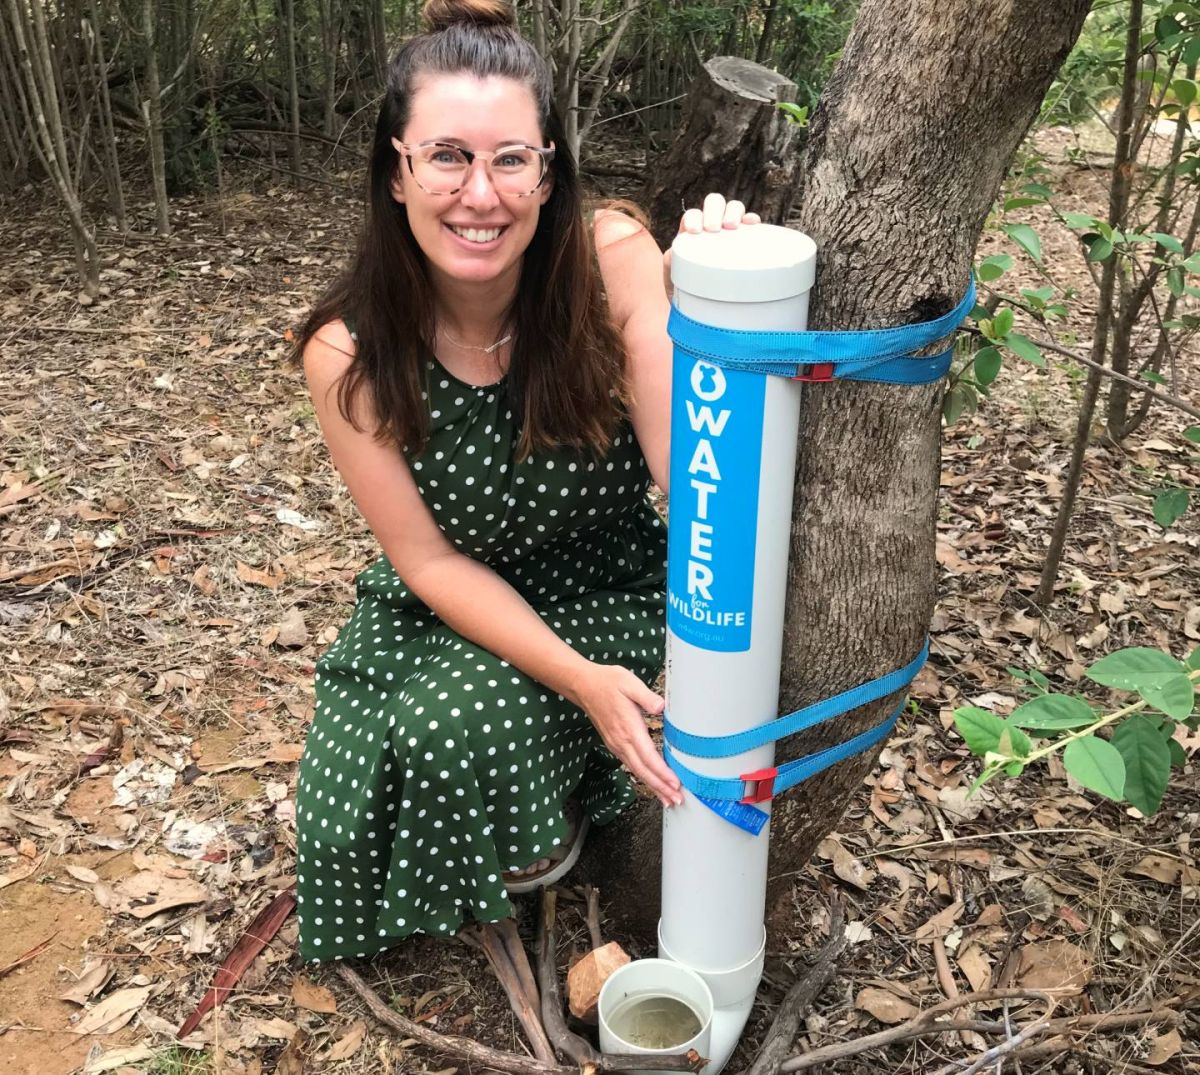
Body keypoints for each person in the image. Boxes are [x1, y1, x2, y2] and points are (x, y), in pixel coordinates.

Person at [292, 0, 756, 962]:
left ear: (549, 174)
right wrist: (580, 684)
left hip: (599, 580)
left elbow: (693, 477)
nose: (481, 193)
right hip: (448, 596)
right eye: (448, 156)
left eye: (512, 159)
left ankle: (560, 827)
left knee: (454, 726)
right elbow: (423, 559)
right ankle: (523, 811)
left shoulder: (610, 262)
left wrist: (717, 315)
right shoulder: (346, 351)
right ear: (396, 171)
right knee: (355, 779)